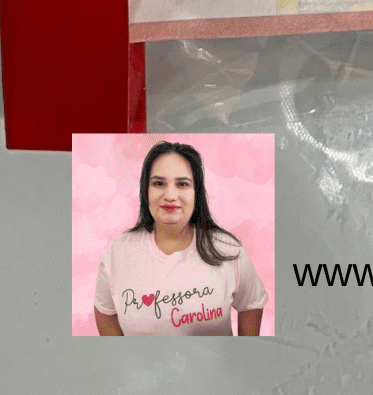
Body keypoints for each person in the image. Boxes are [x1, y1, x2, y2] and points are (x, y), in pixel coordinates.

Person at [93, 141, 268, 336]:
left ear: (196, 192)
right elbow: (105, 312)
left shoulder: (227, 249)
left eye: (182, 184)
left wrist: (243, 352)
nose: (170, 195)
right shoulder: (118, 251)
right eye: (159, 183)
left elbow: (252, 303)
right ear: (145, 190)